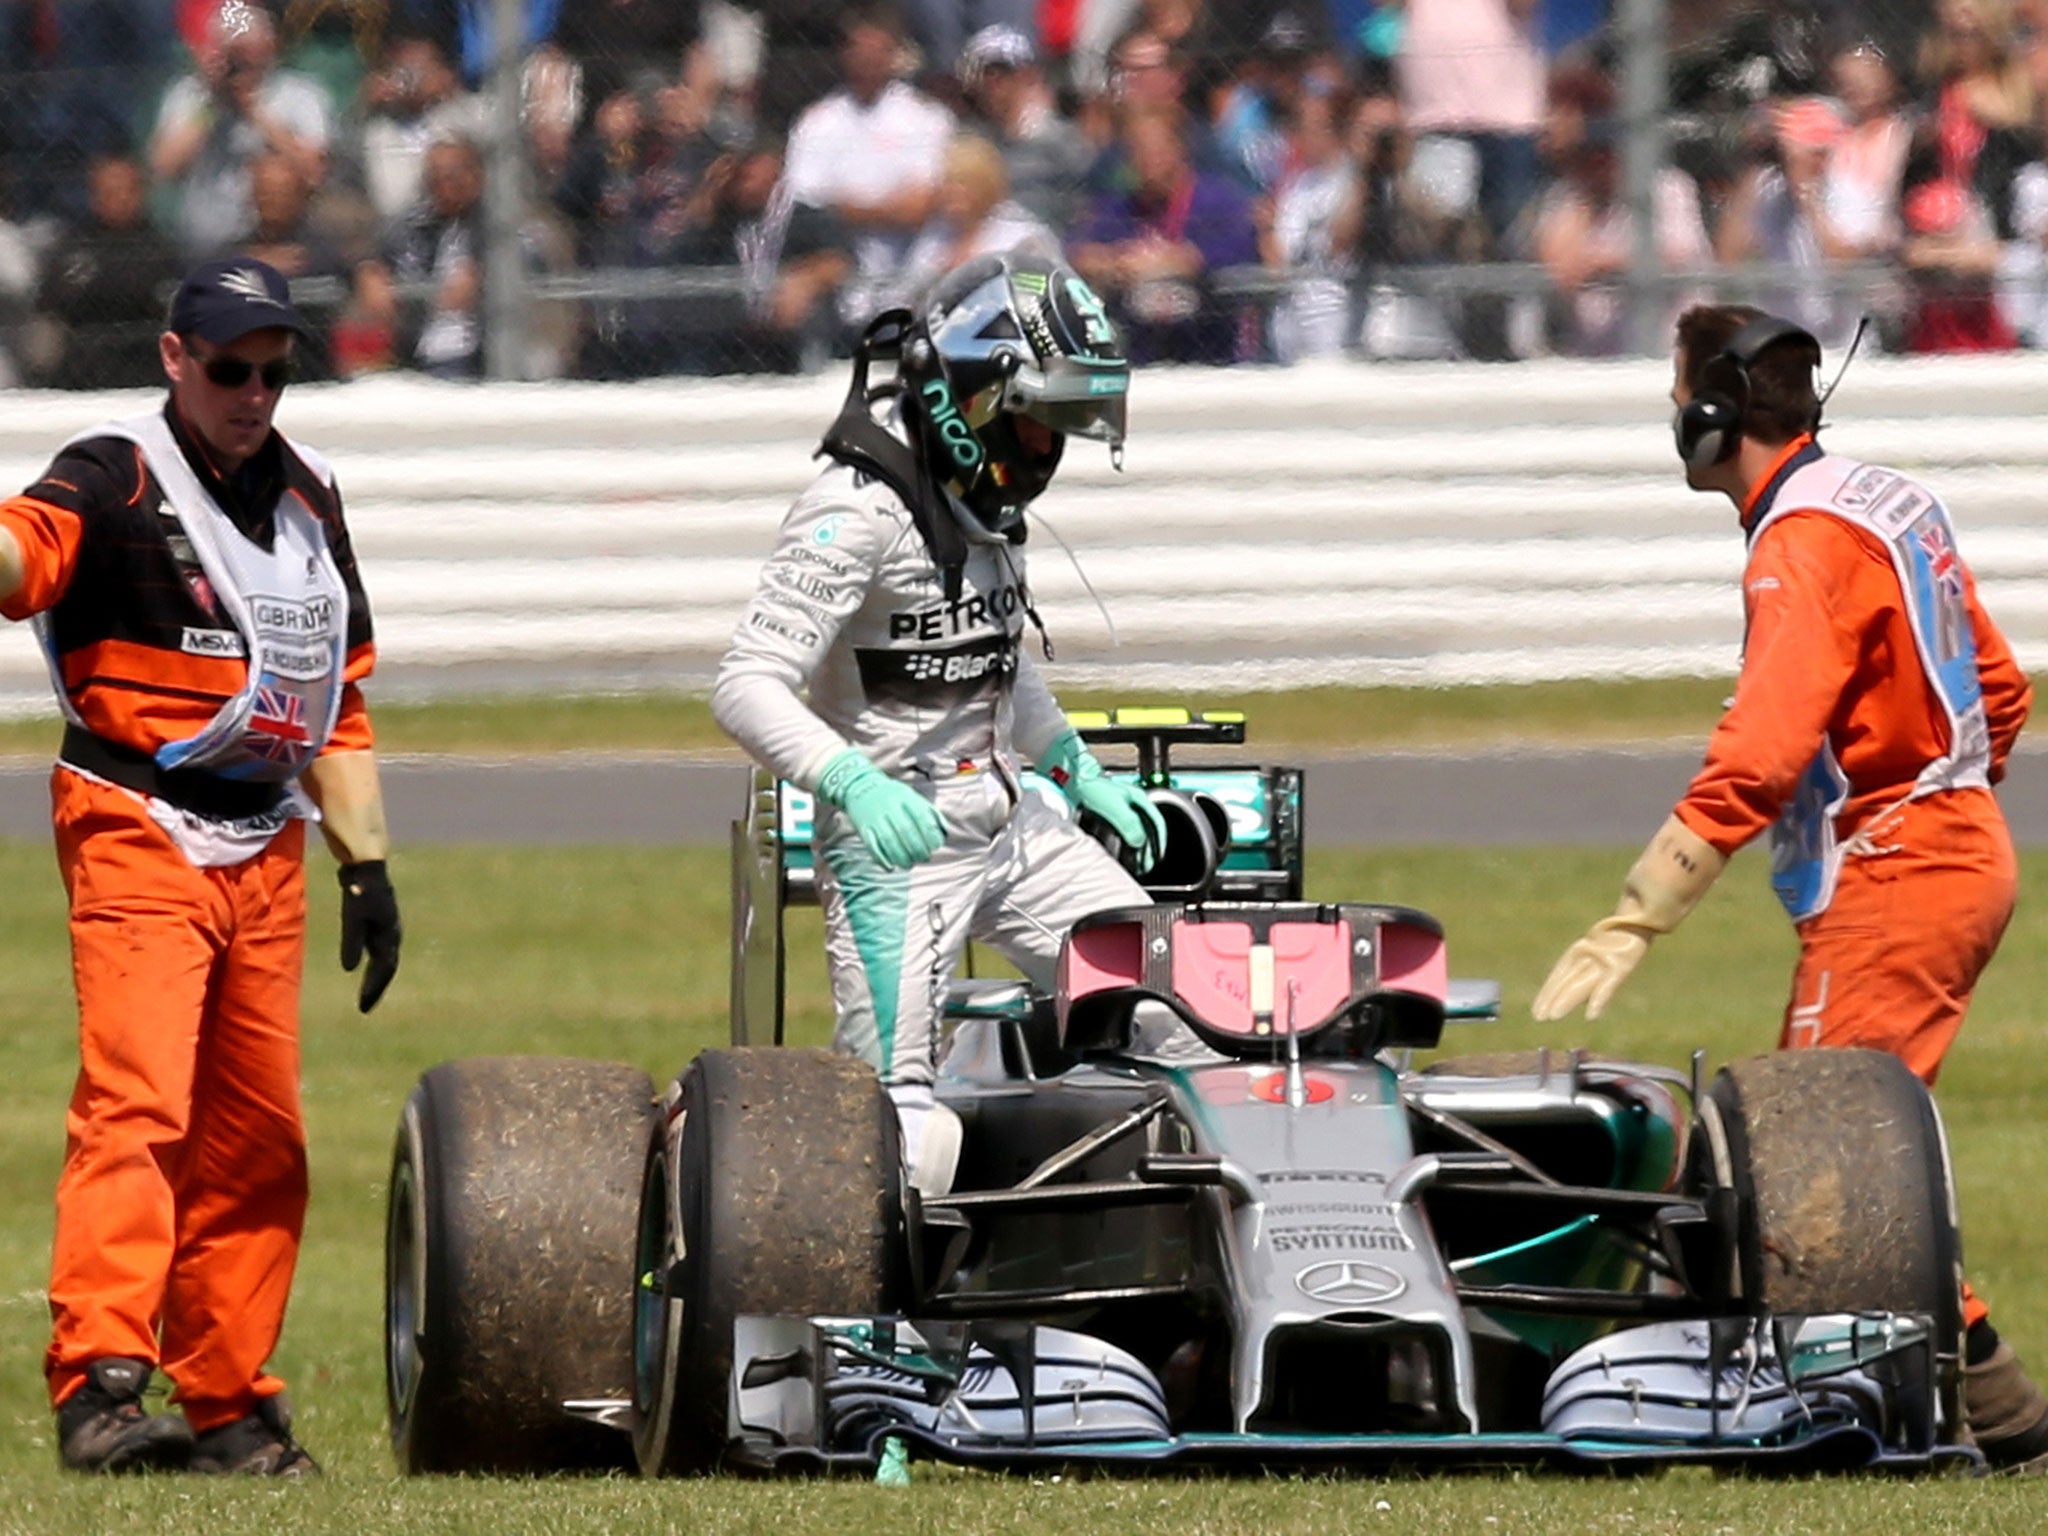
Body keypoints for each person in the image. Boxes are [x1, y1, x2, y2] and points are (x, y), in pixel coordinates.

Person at [1531, 303, 2045, 1470]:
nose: (1672, 413)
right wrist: (1947, 787)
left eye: (1675, 393)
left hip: (1899, 869)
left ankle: (1936, 1421)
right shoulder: (1884, 501)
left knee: (1814, 1168)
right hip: (1947, 849)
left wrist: (1637, 912)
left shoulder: (1796, 546)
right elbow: (1999, 688)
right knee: (1826, 1151)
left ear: (1710, 413)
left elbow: (1759, 757)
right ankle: (1996, 1413)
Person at [0, 255, 401, 1475]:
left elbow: (339, 703)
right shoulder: (113, 471)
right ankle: (102, 1386)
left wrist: (366, 867)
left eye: (273, 372)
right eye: (229, 368)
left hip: (266, 834)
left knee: (259, 1134)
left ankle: (229, 1401)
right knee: (139, 1103)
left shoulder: (311, 498)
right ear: (175, 359)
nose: (253, 393)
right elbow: (24, 562)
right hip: (135, 816)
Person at [712, 251, 1164, 1196]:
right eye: (1042, 423)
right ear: (976, 395)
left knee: (1179, 1014)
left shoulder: (980, 502)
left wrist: (1074, 766)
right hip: (895, 859)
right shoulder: (854, 508)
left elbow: (996, 661)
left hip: (1014, 829)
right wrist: (851, 784)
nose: (1050, 452)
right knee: (904, 1139)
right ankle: (873, 1336)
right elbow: (746, 684)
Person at [783, 1, 954, 334]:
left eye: (878, 50)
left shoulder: (927, 118)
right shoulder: (817, 122)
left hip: (914, 279)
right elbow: (805, 207)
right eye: (859, 49)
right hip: (838, 276)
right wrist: (888, 208)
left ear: (895, 53)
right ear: (843, 53)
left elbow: (920, 207)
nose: (868, 59)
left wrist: (846, 206)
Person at [149, 1, 333, 259]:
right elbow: (163, 167)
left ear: (270, 45)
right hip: (206, 244)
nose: (239, 62)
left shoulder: (300, 95)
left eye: (246, 50)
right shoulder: (191, 94)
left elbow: (314, 171)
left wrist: (253, 111)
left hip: (278, 239)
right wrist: (213, 104)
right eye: (231, 52)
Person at [664, 137, 853, 375]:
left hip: (793, 338)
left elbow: (841, 261)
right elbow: (679, 261)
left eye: (751, 167)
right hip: (734, 343)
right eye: (738, 170)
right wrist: (708, 194)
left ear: (773, 166)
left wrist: (806, 278)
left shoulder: (806, 217)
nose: (743, 178)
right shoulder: (724, 225)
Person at [29, 152, 184, 390]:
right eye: (105, 191)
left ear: (140, 193)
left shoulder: (163, 252)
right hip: (78, 378)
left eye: (124, 190)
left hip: (145, 379)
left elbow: (166, 309)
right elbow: (50, 304)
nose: (115, 199)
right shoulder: (73, 248)